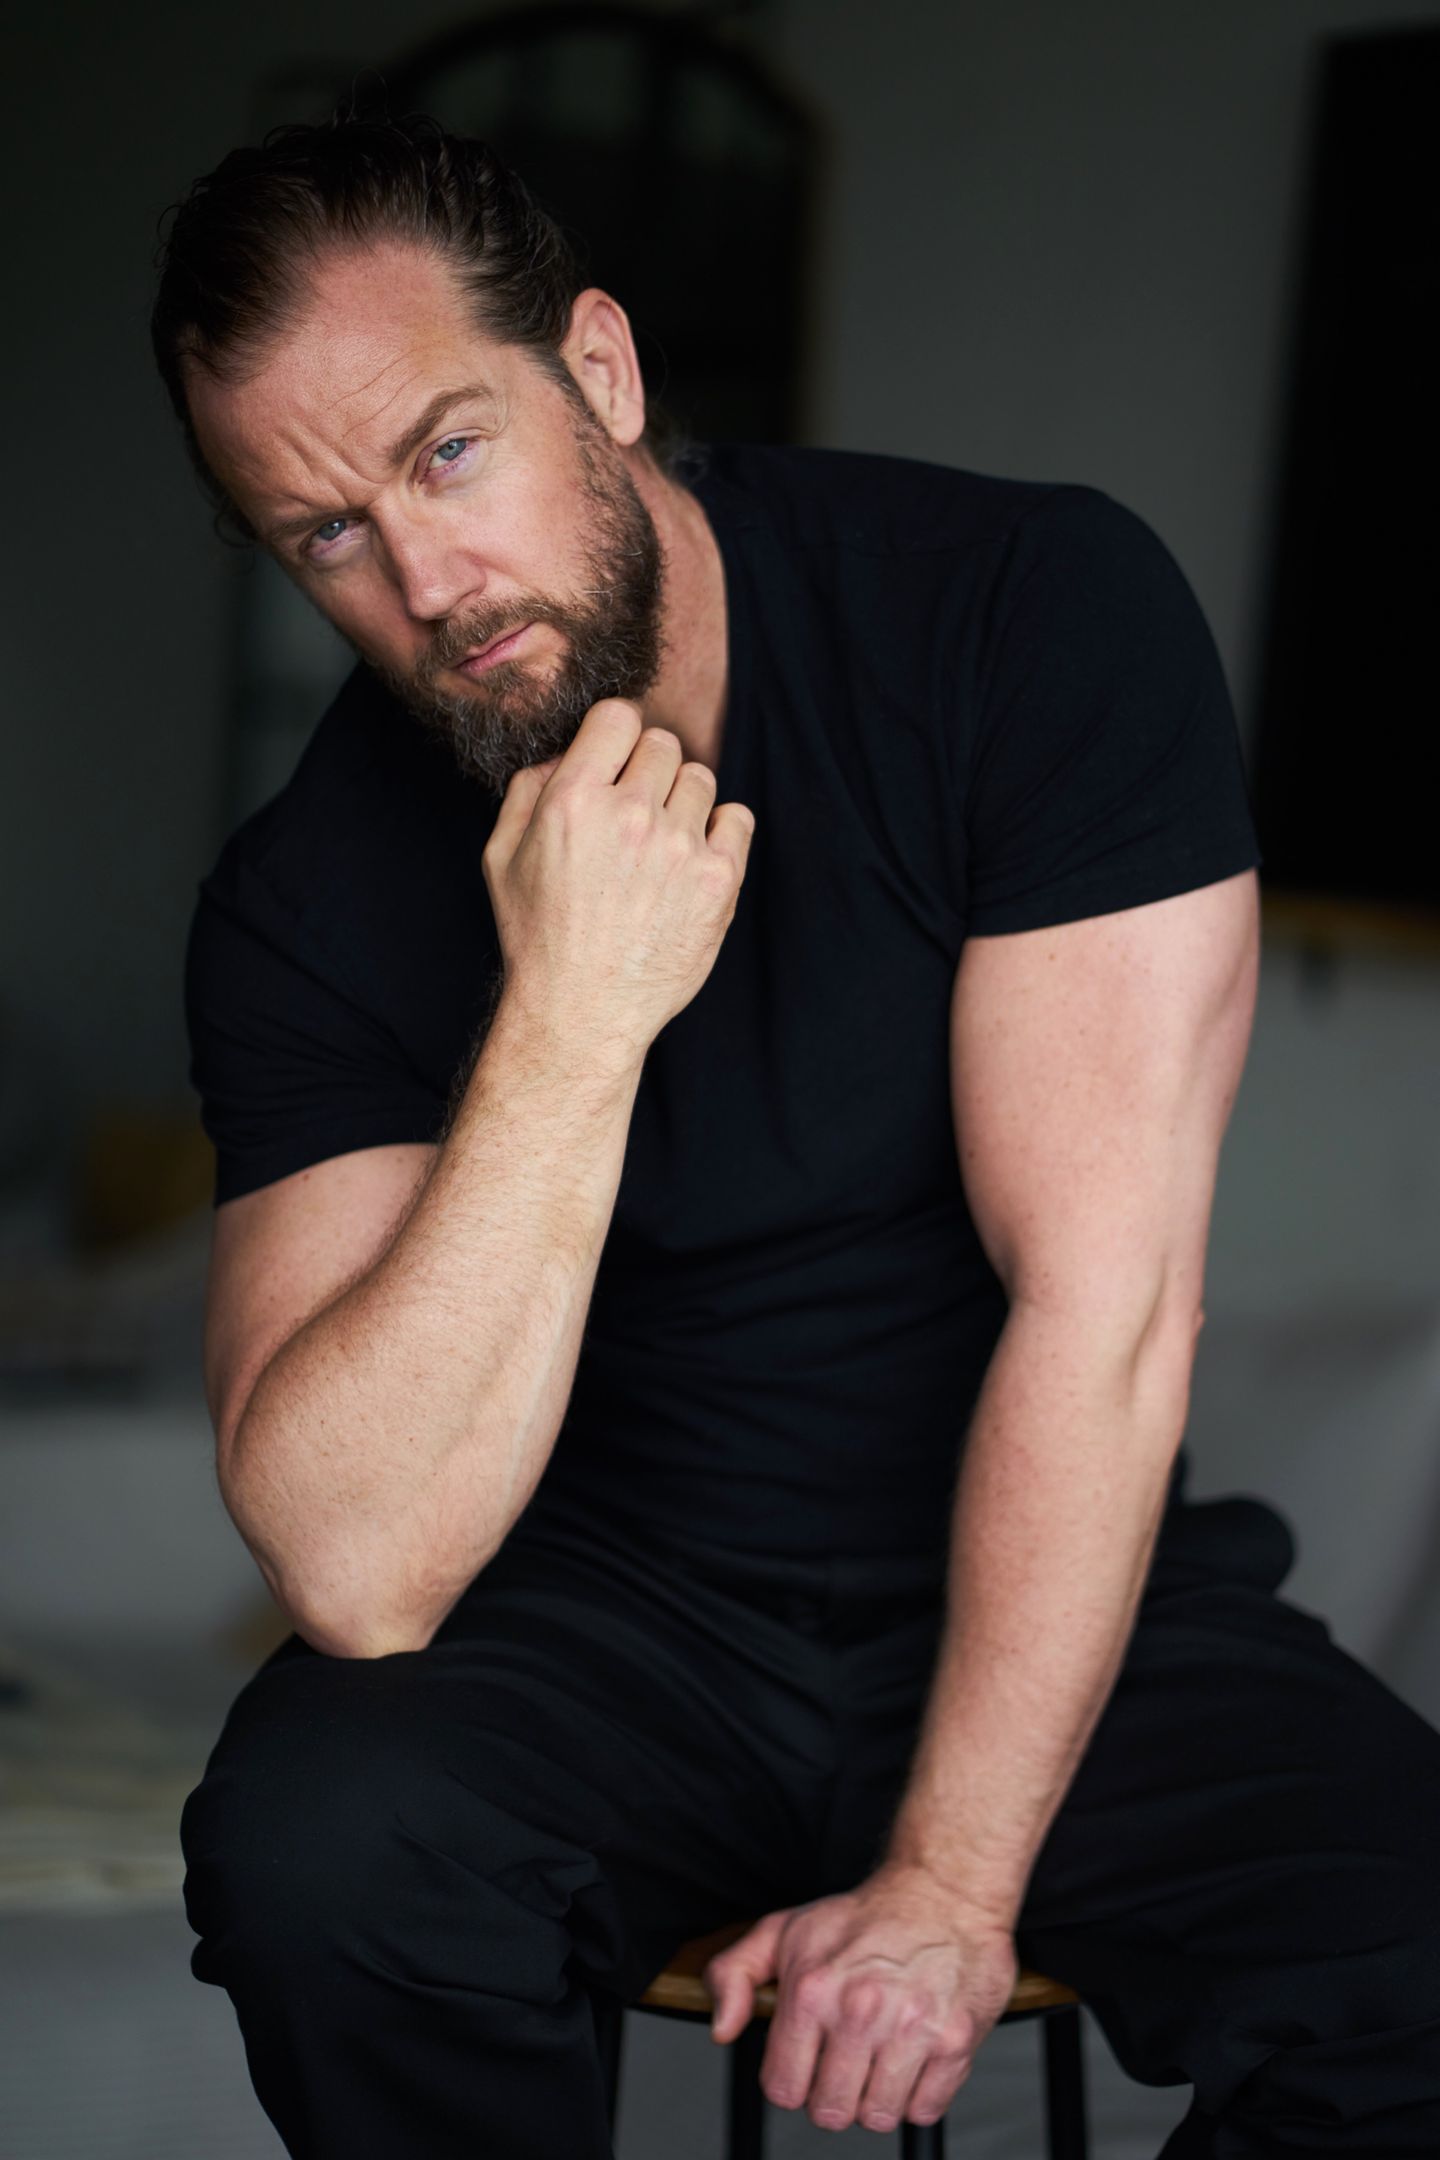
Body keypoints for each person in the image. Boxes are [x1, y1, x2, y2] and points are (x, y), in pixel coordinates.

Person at [157, 108, 1440, 2160]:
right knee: (321, 1852)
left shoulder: (1025, 613)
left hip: (1044, 1571)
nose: (424, 586)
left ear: (598, 367)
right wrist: (568, 1027)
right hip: (613, 1624)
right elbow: (359, 1568)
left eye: (448, 454)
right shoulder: (306, 897)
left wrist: (948, 1881)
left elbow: (1106, 1310)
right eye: (324, 537)